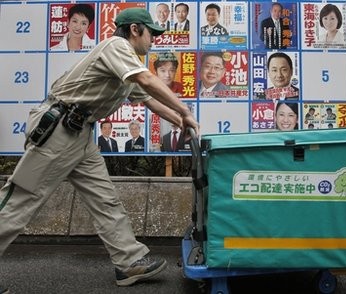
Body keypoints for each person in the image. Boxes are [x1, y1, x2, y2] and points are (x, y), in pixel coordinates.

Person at [0, 7, 199, 291]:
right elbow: (146, 80)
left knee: (105, 199)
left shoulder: (126, 63)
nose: (153, 39)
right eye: (151, 33)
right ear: (134, 30)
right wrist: (184, 110)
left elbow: (149, 100)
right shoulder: (116, 46)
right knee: (20, 200)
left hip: (79, 136)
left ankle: (128, 262)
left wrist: (183, 122)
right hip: (58, 133)